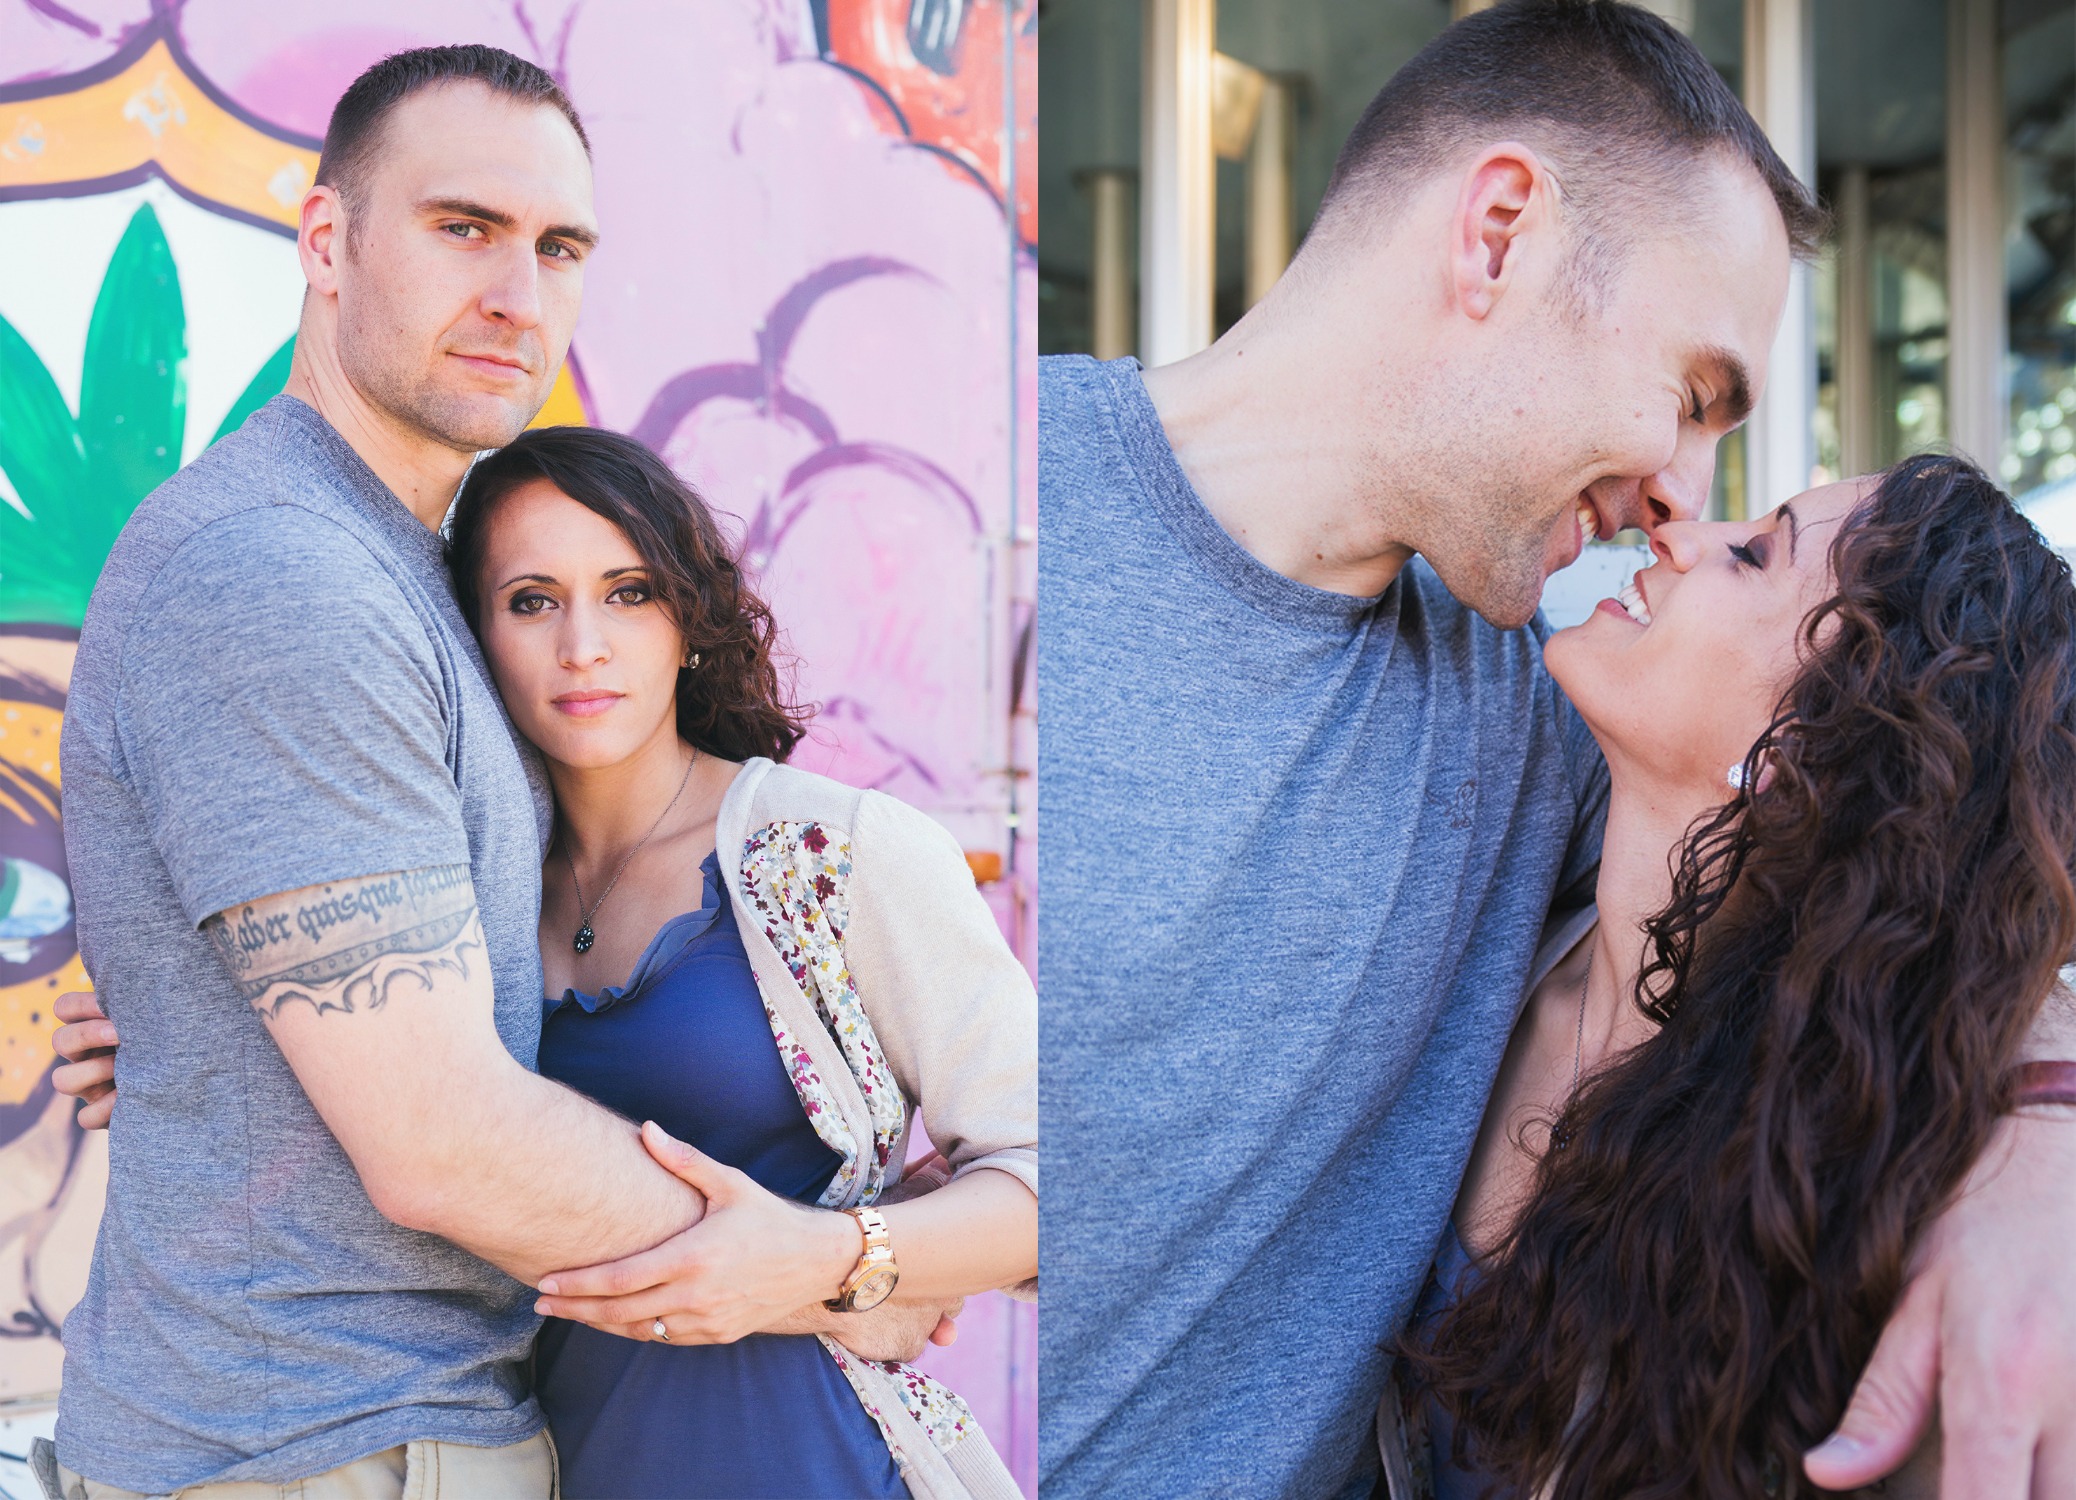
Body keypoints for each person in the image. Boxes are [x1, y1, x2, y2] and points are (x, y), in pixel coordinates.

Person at [1038, 4, 2076, 1497]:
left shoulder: (1538, 704)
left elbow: (1932, 860)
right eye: (1696, 393)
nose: (1683, 494)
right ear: (1502, 232)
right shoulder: (959, 512)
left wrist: (2046, 1146)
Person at [36, 43, 965, 1500]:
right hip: (311, 1451)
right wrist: (830, 1279)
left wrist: (185, 1042)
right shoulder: (282, 572)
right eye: (463, 229)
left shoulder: (420, 574)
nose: (518, 297)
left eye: (560, 247)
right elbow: (441, 1143)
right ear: (328, 242)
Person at [55, 425, 1040, 1499]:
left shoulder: (829, 855)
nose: (584, 644)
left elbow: (1062, 1181)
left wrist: (847, 1262)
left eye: (627, 592)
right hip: (556, 1461)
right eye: (531, 600)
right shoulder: (461, 892)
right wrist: (202, 1041)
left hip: (811, 1457)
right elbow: (400, 1093)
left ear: (688, 623)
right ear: (471, 636)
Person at [1390, 457, 2076, 1498]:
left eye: (1755, 554)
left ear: (1812, 747)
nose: (1681, 530)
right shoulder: (1501, 921)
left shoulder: (1859, 1186)